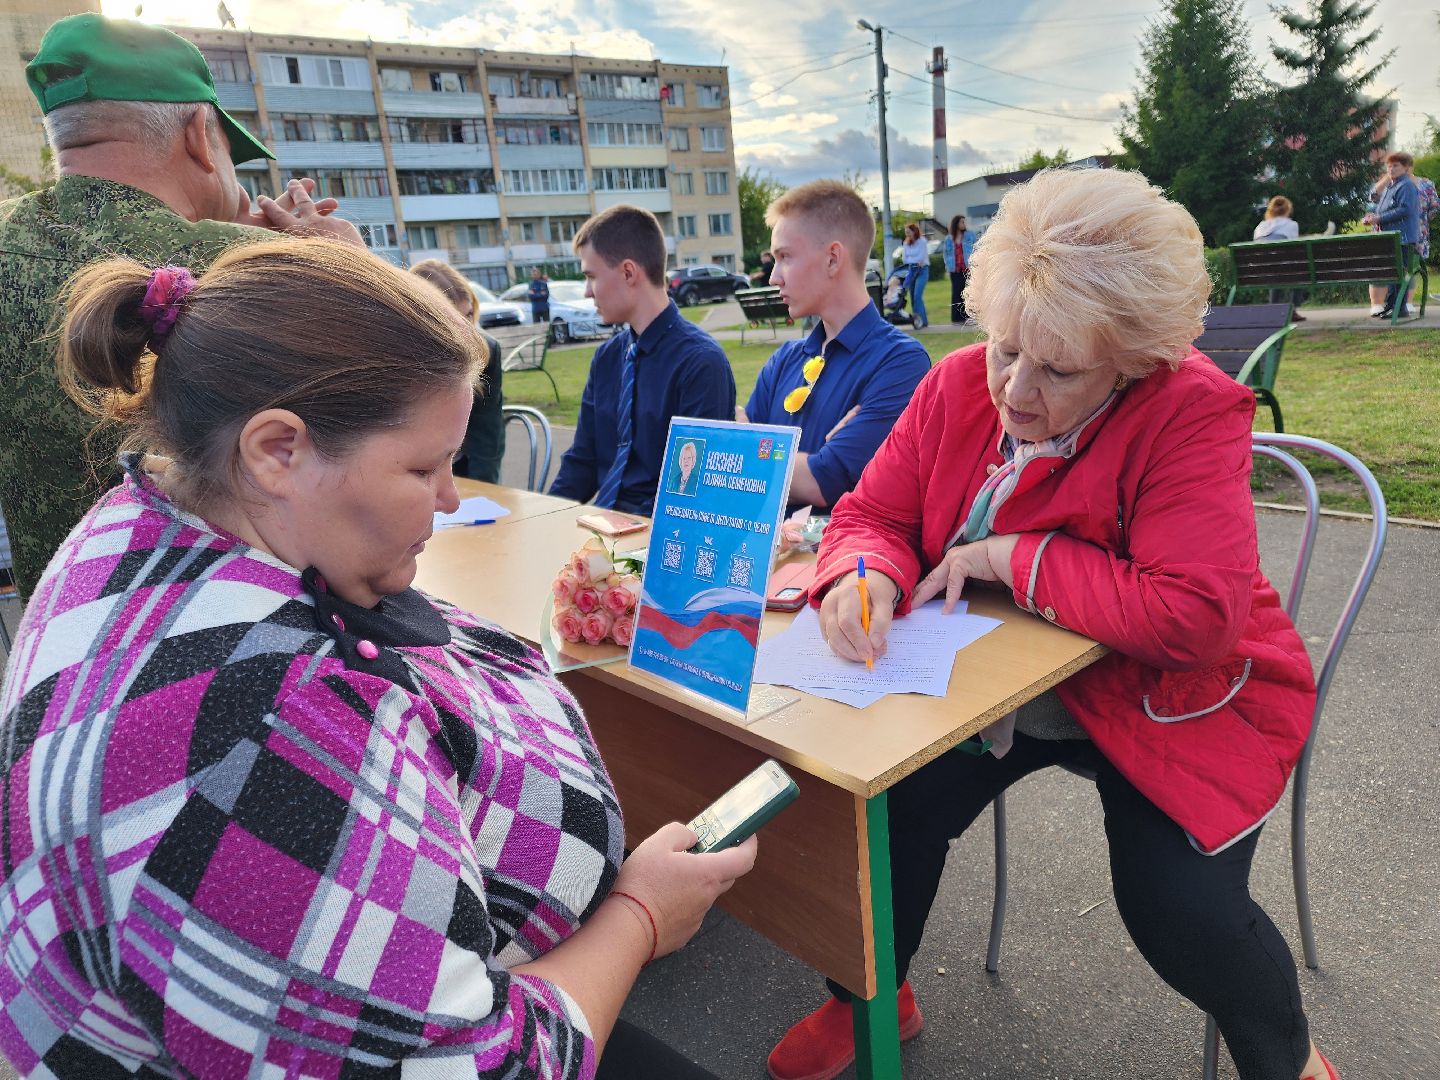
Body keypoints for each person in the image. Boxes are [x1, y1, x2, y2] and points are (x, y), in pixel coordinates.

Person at [0, 237, 756, 1079]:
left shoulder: (134, 525)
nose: (451, 497)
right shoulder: (264, 736)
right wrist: (643, 915)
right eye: (424, 465)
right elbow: (484, 1067)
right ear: (277, 450)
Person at [766, 168, 1340, 1080]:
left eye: (1060, 368)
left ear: (1136, 358)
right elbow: (872, 513)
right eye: (1004, 350)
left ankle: (1293, 1062)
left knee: (1178, 907)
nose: (1015, 393)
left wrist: (1011, 557)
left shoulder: (1191, 408)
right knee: (883, 813)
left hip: (1165, 698)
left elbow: (1194, 614)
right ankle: (873, 997)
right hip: (992, 688)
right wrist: (863, 573)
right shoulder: (959, 382)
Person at [0, 12, 361, 598]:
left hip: (64, 638)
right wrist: (348, 260)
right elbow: (430, 371)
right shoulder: (253, 260)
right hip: (240, 632)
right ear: (199, 134)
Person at [740, 180, 931, 509]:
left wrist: (752, 451)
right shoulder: (784, 359)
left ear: (832, 259)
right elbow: (733, 463)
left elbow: (823, 481)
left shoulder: (902, 364)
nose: (774, 277)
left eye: (785, 257)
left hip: (842, 559)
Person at [550, 204, 735, 513]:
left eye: (591, 277)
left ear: (628, 272)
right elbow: (583, 460)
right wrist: (544, 518)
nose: (587, 292)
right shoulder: (608, 357)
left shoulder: (700, 364)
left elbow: (693, 490)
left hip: (658, 537)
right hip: (604, 525)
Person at [411, 259, 506, 483]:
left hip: (462, 469)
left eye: (469, 315)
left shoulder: (486, 350)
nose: (467, 331)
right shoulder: (399, 355)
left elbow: (488, 430)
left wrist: (484, 488)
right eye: (453, 319)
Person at [1364, 151, 1420, 319]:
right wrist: (1372, 216)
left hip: (1403, 238)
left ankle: (1399, 308)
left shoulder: (1407, 186)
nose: (1391, 169)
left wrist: (1379, 217)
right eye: (1389, 166)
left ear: (1406, 167)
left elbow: (1405, 209)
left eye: (1396, 165)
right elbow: (1380, 207)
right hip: (1390, 237)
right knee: (1392, 273)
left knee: (1398, 273)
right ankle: (1391, 305)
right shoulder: (1391, 186)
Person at [1253, 195, 1306, 320]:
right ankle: (1291, 310)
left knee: (1274, 271)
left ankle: (1273, 310)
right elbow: (1295, 249)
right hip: (1284, 268)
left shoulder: (1260, 227)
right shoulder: (1292, 225)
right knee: (1301, 271)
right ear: (1288, 210)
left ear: (1270, 210)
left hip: (1259, 272)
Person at [942, 213, 975, 323]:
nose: (964, 224)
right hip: (955, 269)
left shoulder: (970, 235)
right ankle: (956, 318)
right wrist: (947, 265)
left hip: (967, 268)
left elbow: (975, 248)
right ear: (956, 223)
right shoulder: (948, 239)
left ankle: (968, 316)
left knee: (968, 292)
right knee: (956, 292)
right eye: (962, 222)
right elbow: (946, 254)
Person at [899, 221, 930, 328]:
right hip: (911, 270)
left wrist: (912, 260)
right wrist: (913, 260)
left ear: (914, 231)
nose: (907, 235)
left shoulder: (922, 242)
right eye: (906, 233)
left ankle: (923, 321)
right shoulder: (906, 243)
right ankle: (918, 321)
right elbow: (904, 259)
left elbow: (921, 257)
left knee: (917, 296)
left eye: (909, 232)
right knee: (912, 297)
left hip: (922, 270)